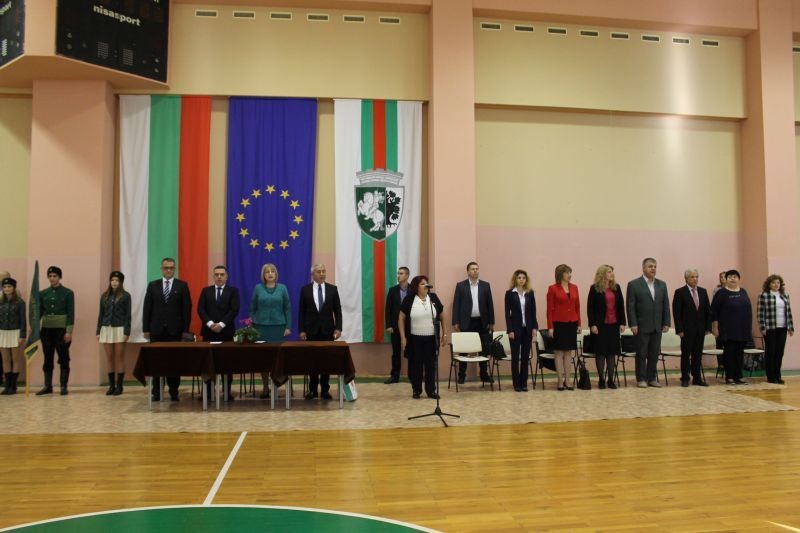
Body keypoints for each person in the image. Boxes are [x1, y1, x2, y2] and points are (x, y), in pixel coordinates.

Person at [142, 257, 192, 401]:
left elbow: (186, 310)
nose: (169, 270)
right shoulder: (153, 285)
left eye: (171, 268)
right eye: (166, 268)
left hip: (175, 331)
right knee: (156, 361)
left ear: (174, 269)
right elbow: (147, 308)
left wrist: (185, 330)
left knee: (174, 362)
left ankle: (174, 391)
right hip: (156, 331)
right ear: (161, 269)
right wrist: (146, 328)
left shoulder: (182, 285)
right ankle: (157, 391)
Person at [398, 275, 447, 399]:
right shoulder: (409, 299)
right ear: (416, 287)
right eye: (422, 283)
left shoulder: (433, 298)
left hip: (431, 338)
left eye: (426, 283)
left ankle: (431, 390)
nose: (426, 285)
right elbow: (401, 318)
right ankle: (416, 390)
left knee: (431, 365)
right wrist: (403, 337)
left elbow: (442, 315)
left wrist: (445, 333)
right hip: (415, 339)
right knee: (416, 365)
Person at [298, 263, 342, 400]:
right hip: (311, 331)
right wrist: (301, 330)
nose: (322, 274)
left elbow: (338, 310)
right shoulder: (305, 290)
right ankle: (312, 390)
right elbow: (301, 312)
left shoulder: (333, 289)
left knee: (326, 361)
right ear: (313, 274)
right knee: (312, 361)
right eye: (319, 271)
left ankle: (324, 390)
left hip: (327, 331)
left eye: (324, 271)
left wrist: (338, 328)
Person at [626, 257, 671, 388]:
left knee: (654, 353)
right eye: (650, 266)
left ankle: (652, 378)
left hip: (657, 326)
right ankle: (641, 379)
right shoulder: (634, 284)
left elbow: (666, 305)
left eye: (655, 266)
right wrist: (633, 324)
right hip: (641, 326)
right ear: (643, 268)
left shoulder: (662, 284)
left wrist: (666, 322)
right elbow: (630, 306)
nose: (653, 269)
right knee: (641, 353)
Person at [198, 265, 241, 400]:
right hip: (209, 332)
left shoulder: (233, 291)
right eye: (216, 274)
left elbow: (234, 309)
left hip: (226, 332)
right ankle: (208, 392)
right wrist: (210, 324)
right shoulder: (206, 291)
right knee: (207, 362)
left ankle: (226, 392)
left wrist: (221, 324)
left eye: (222, 274)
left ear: (226, 276)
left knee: (227, 363)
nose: (219, 277)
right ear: (213, 276)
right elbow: (201, 309)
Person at [249, 263, 290, 399]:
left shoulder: (282, 288)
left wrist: (288, 326)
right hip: (260, 328)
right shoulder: (258, 288)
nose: (270, 274)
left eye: (273, 271)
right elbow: (252, 308)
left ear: (276, 274)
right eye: (267, 272)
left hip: (278, 328)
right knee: (264, 359)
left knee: (277, 359)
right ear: (263, 275)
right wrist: (251, 325)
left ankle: (276, 385)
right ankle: (266, 387)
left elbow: (287, 308)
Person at [452, 261, 495, 384]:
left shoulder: (485, 285)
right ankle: (462, 375)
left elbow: (490, 304)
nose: (475, 271)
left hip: (482, 322)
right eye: (472, 269)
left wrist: (492, 321)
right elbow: (456, 304)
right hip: (467, 322)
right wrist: (456, 321)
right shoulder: (461, 286)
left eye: (477, 268)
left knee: (484, 349)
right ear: (468, 271)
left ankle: (484, 374)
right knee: (464, 349)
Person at [37, 266, 75, 396]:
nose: (52, 278)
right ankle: (47, 386)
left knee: (64, 357)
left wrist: (69, 331)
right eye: (50, 276)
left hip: (61, 330)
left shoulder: (68, 293)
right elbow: (39, 312)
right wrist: (34, 328)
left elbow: (71, 313)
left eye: (55, 276)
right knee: (47, 357)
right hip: (46, 330)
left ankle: (63, 386)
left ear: (60, 277)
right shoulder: (42, 294)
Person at [586, 265, 626, 389]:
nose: (612, 274)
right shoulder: (594, 288)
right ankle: (601, 380)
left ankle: (611, 380)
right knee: (601, 353)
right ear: (602, 274)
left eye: (612, 272)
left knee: (611, 353)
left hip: (613, 325)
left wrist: (623, 323)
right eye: (609, 272)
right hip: (600, 326)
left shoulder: (616, 287)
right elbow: (590, 308)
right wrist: (592, 324)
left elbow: (621, 306)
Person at [711, 269, 752, 385]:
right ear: (726, 279)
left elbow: (748, 310)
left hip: (742, 329)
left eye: (735, 277)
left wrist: (748, 327)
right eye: (730, 277)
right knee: (729, 353)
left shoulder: (743, 292)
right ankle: (729, 377)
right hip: (727, 329)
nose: (732, 279)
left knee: (739, 353)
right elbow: (714, 311)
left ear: (739, 279)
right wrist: (715, 327)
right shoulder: (721, 293)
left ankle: (739, 376)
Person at [672, 269, 712, 387]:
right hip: (686, 330)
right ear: (686, 279)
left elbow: (707, 311)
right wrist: (679, 329)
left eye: (696, 277)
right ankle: (685, 378)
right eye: (692, 277)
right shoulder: (680, 292)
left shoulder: (703, 291)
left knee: (697, 355)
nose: (695, 279)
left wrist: (708, 327)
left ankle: (697, 378)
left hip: (700, 329)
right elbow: (677, 313)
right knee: (686, 354)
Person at [95, 271, 131, 396]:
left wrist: (127, 331)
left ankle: (119, 386)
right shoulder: (104, 296)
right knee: (109, 358)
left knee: (119, 357)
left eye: (117, 280)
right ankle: (111, 386)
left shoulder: (126, 296)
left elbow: (128, 315)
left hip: (120, 328)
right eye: (112, 280)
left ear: (121, 282)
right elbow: (101, 314)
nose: (114, 282)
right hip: (106, 328)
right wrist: (98, 330)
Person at [546, 264, 581, 391]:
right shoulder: (552, 288)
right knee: (559, 353)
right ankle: (560, 380)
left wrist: (579, 324)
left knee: (568, 353)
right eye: (567, 272)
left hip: (572, 323)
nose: (569, 275)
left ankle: (568, 380)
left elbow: (577, 307)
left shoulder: (574, 287)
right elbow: (549, 310)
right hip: (558, 324)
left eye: (570, 272)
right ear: (560, 274)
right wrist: (550, 327)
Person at [504, 269, 538, 392]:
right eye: (519, 278)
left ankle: (524, 383)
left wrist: (534, 327)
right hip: (515, 330)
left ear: (526, 280)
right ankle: (516, 383)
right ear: (515, 279)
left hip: (527, 330)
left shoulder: (530, 293)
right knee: (515, 357)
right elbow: (507, 314)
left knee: (525, 357)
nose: (521, 280)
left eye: (523, 278)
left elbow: (533, 312)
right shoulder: (509, 293)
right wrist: (510, 330)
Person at [757, 274, 794, 384]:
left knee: (779, 352)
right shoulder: (763, 295)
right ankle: (770, 377)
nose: (776, 284)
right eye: (773, 282)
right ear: (769, 284)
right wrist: (762, 327)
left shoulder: (785, 295)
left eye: (778, 282)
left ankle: (777, 375)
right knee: (771, 352)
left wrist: (790, 327)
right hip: (770, 327)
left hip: (783, 327)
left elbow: (788, 312)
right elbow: (760, 313)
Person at [384, 266, 410, 384]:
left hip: (410, 327)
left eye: (401, 273)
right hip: (395, 327)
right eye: (398, 273)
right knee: (396, 352)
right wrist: (388, 325)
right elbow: (388, 309)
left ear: (407, 276)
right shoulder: (392, 290)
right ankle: (395, 376)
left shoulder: (413, 290)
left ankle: (412, 375)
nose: (398, 276)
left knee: (411, 352)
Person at [0, 277, 25, 395]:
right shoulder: (0, 302)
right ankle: (7, 385)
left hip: (15, 332)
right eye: (4, 287)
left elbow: (23, 320)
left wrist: (22, 335)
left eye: (9, 286)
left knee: (15, 359)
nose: (7, 289)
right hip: (2, 333)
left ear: (14, 288)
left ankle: (13, 386)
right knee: (5, 359)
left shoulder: (20, 302)